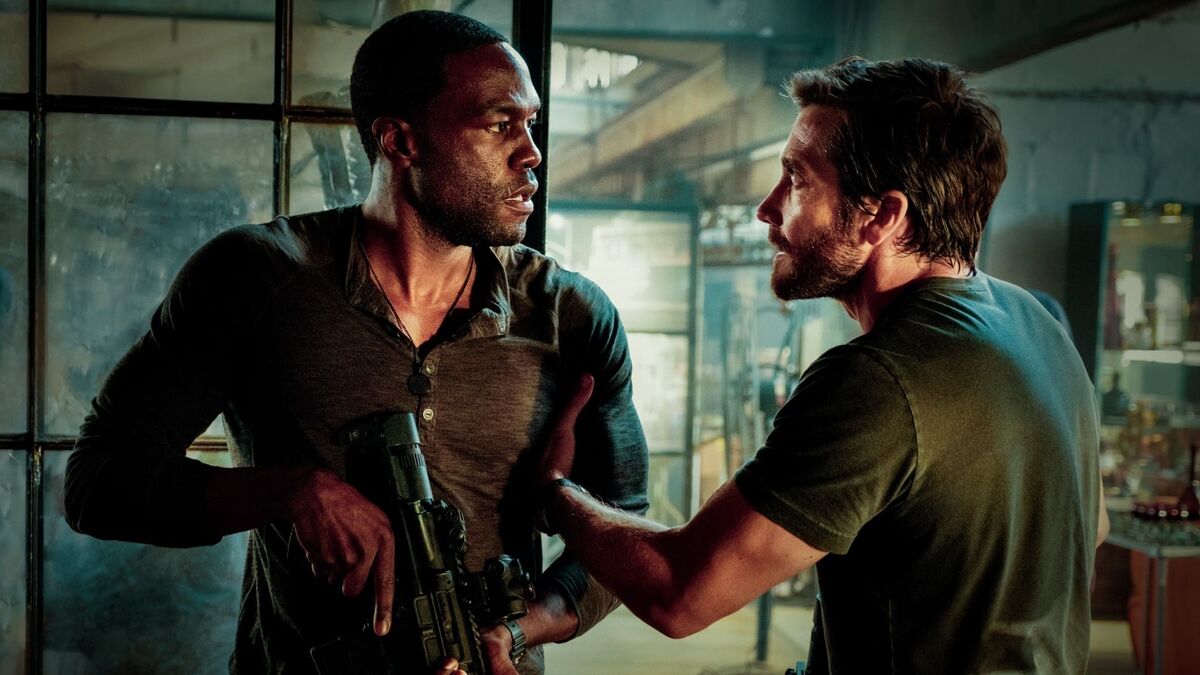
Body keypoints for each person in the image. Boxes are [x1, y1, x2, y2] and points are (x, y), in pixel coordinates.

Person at [64, 10, 648, 675]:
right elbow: (97, 481)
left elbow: (625, 517)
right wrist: (288, 492)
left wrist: (522, 628)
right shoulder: (255, 278)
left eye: (531, 124)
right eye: (498, 125)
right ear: (400, 141)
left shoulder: (571, 316)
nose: (531, 152)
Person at [534, 57, 1109, 674]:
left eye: (797, 180)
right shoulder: (1037, 324)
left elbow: (678, 592)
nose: (767, 207)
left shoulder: (878, 379)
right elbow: (1090, 528)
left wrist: (557, 490)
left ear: (882, 216)